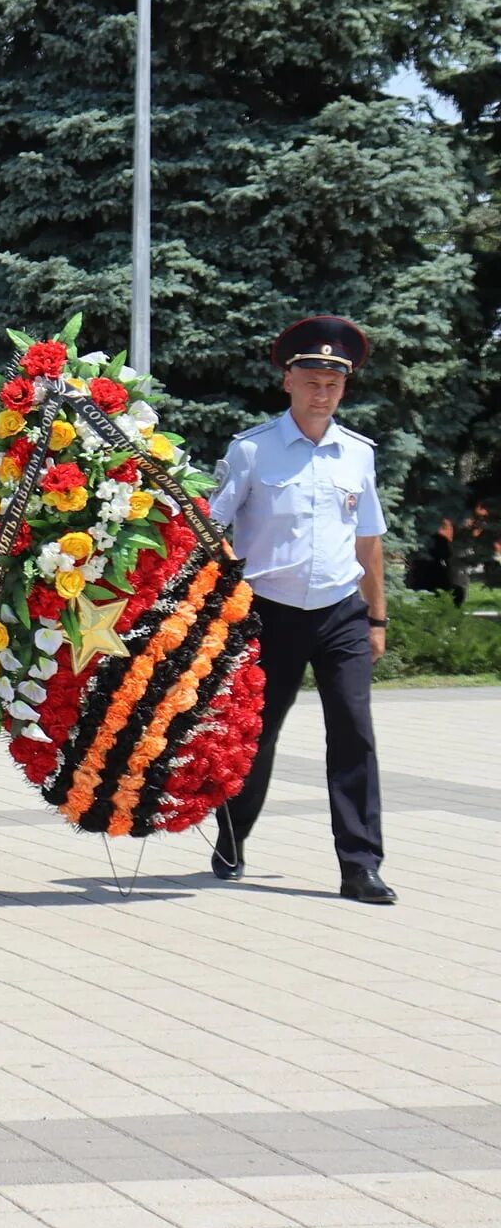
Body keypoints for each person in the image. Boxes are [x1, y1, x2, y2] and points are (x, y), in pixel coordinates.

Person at [208, 316, 394, 904]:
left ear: (344, 388)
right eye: (312, 380)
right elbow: (211, 529)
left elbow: (368, 542)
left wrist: (376, 617)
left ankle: (360, 864)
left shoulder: (357, 454)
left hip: (340, 609)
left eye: (333, 383)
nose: (322, 391)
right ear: (288, 381)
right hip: (270, 612)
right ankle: (233, 835)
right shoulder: (251, 451)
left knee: (354, 734)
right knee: (257, 735)